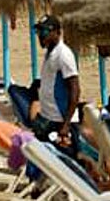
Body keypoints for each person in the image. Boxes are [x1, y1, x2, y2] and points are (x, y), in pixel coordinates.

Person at [32, 16, 80, 148]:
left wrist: (66, 124)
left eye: (45, 32)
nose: (41, 36)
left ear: (57, 32)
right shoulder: (50, 53)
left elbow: (74, 89)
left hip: (60, 121)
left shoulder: (64, 55)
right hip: (48, 117)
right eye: (39, 32)